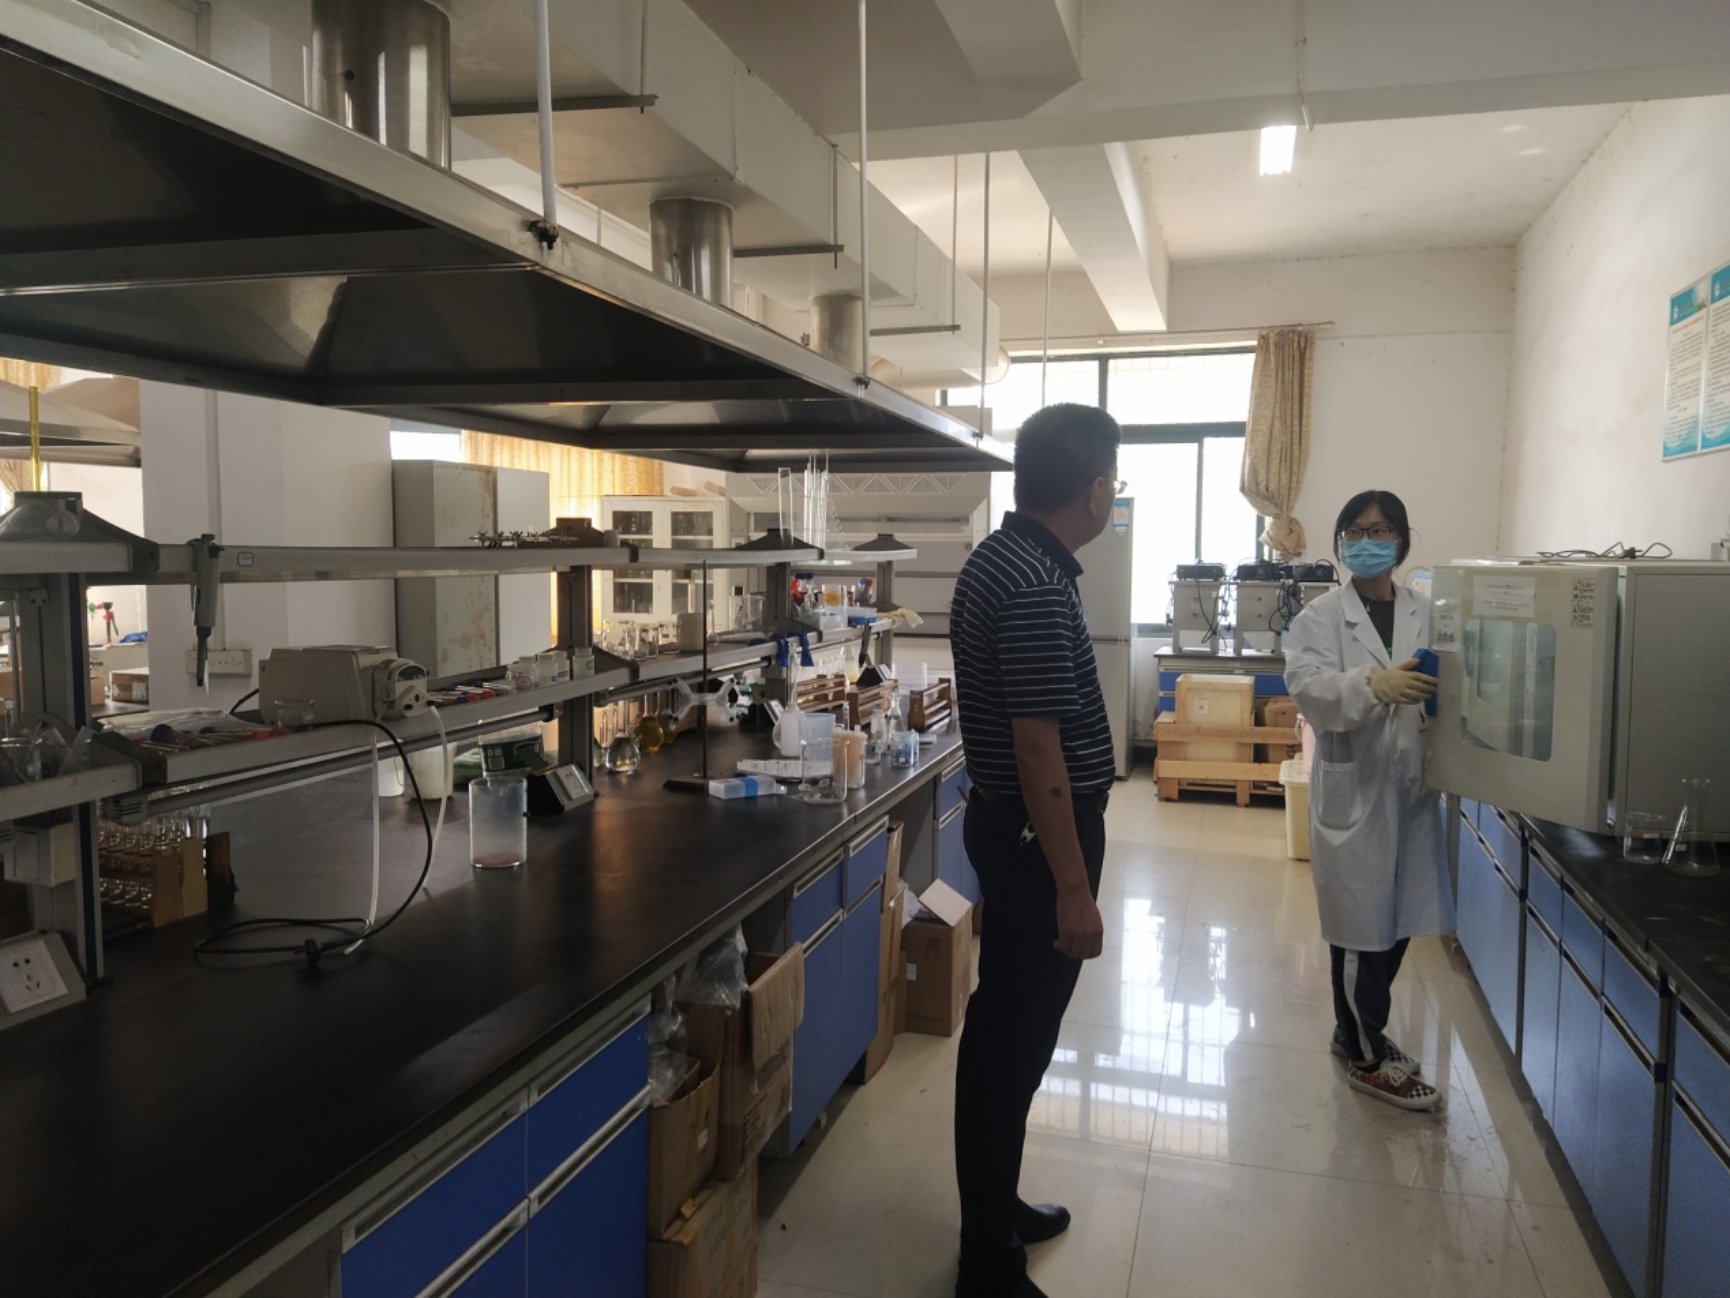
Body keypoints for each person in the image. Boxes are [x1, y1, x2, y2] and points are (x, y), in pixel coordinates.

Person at [948, 403, 1122, 1298]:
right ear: (1093, 489)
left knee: (1007, 1035)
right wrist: (1074, 889)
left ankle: (996, 1209)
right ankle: (988, 1264)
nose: (1112, 496)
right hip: (1035, 837)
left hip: (1012, 827)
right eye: (1112, 481)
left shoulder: (1001, 558)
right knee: (1009, 1042)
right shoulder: (1036, 585)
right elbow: (1038, 751)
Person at [1284, 489, 1453, 1113]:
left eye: (1380, 530)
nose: (1367, 540)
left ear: (1402, 541)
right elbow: (1308, 689)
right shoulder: (1320, 617)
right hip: (1354, 792)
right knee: (1361, 933)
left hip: (1410, 789)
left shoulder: (1424, 611)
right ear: (1340, 542)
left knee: (1398, 921)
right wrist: (1371, 684)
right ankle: (1366, 1060)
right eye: (1355, 531)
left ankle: (1354, 1030)